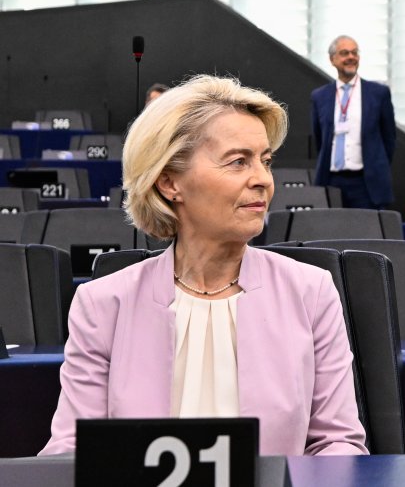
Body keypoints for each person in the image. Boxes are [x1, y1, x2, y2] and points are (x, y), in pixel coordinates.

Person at [41, 75, 367, 456]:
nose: (262, 180)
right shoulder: (102, 304)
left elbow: (337, 443)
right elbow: (72, 450)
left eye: (265, 161)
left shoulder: (311, 292)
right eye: (238, 161)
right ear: (169, 183)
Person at [312, 35, 397, 209]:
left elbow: (389, 138)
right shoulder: (319, 96)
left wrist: (377, 165)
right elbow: (320, 140)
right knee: (332, 234)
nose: (351, 57)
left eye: (354, 52)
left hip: (367, 183)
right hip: (332, 182)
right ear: (332, 59)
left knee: (367, 235)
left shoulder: (378, 93)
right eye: (344, 53)